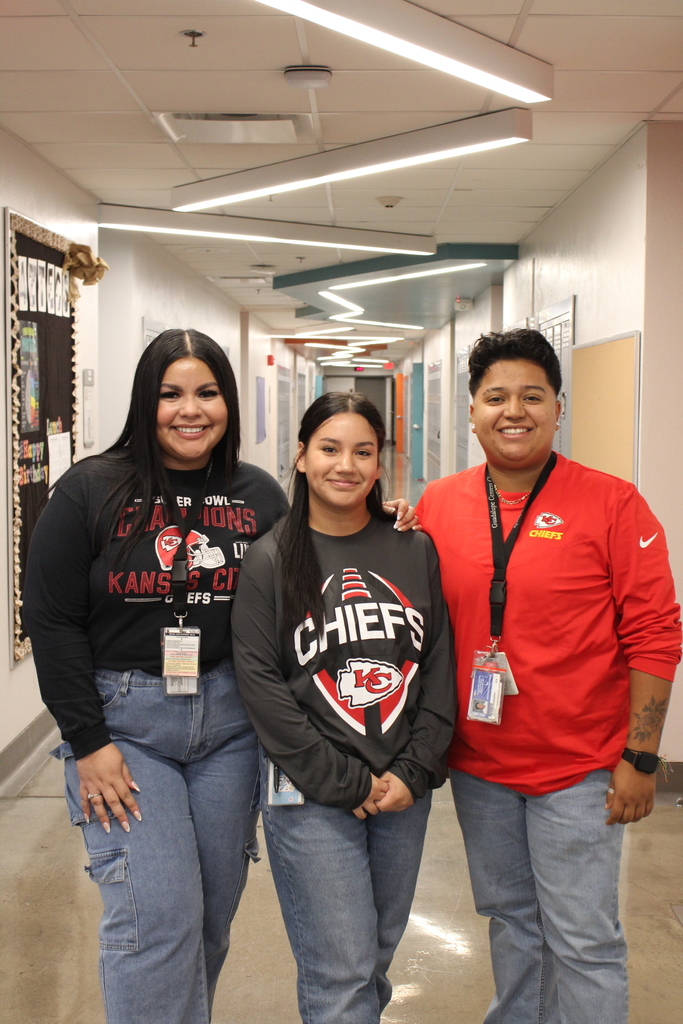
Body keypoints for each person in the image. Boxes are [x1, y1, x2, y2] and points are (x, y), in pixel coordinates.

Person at [415, 328, 681, 1024]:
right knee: (511, 923)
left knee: (583, 940)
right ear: (470, 410)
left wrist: (640, 756)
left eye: (531, 396)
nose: (514, 411)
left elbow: (655, 634)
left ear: (557, 408)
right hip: (480, 765)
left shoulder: (613, 503)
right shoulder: (436, 505)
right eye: (494, 396)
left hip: (581, 768)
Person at [231, 392, 455, 1024]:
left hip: (401, 794)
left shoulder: (413, 549)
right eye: (329, 449)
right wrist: (344, 780)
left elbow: (436, 665)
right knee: (342, 973)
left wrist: (414, 773)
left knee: (373, 960)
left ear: (381, 463)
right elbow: (263, 689)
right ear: (300, 457)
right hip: (310, 797)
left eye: (364, 451)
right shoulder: (271, 559)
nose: (346, 465)